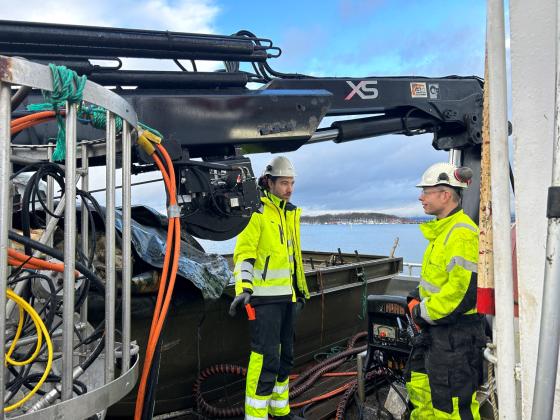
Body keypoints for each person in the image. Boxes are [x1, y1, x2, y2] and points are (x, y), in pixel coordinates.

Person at [229, 156, 309, 420]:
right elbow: (244, 253)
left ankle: (280, 409)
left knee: (286, 356)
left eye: (292, 183)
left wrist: (300, 291)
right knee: (265, 358)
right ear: (269, 182)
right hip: (264, 299)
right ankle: (255, 416)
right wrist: (244, 288)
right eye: (284, 183)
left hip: (288, 296)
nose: (289, 188)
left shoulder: (290, 213)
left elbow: (293, 258)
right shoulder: (256, 212)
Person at [406, 162, 486, 420]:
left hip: (456, 338)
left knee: (451, 408)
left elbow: (461, 295)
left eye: (426, 191)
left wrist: (419, 312)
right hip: (435, 334)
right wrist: (416, 295)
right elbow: (437, 280)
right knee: (422, 394)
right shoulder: (441, 233)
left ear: (445, 194)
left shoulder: (462, 234)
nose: (421, 197)